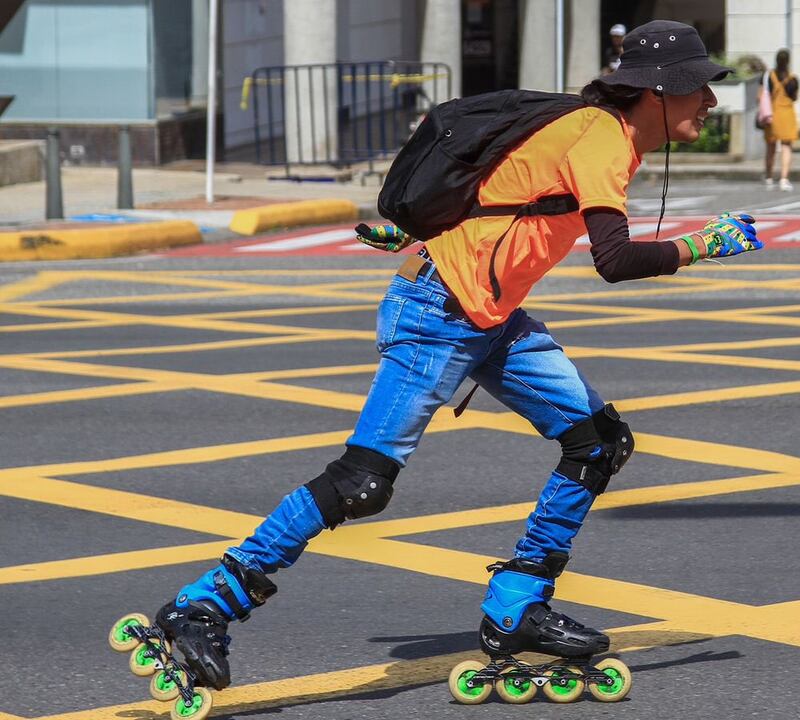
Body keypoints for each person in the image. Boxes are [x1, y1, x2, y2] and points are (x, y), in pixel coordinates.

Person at [133, 19, 763, 703]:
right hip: (438, 312)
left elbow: (497, 183)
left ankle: (517, 604)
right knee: (362, 483)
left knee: (598, 442)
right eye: (700, 88)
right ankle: (203, 605)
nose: (710, 102)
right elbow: (614, 260)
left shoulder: (594, 130)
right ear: (658, 91)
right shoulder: (601, 138)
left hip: (486, 315)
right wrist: (708, 244)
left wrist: (423, 227)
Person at [762, 49, 799, 191]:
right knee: (786, 147)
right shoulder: (793, 79)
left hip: (772, 114)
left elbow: (761, 96)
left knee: (770, 147)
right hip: (787, 114)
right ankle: (784, 179)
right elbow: (795, 97)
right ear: (788, 61)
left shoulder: (768, 76)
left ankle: (769, 177)